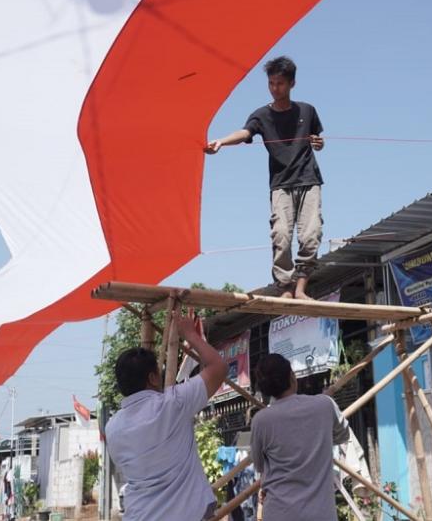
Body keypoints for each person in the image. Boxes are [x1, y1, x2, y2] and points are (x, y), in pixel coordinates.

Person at [205, 56, 325, 299]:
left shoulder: (307, 110)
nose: (274, 88)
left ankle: (301, 288)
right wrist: (222, 142)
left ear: (292, 84)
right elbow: (245, 132)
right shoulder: (261, 115)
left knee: (311, 235)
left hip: (308, 179)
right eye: (271, 83)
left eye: (279, 83)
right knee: (281, 235)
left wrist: (319, 143)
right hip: (280, 184)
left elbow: (318, 140)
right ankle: (285, 288)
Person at [105, 307, 227, 521]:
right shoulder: (173, 404)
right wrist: (191, 335)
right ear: (152, 378)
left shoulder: (112, 427)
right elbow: (218, 367)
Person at [250, 354, 350, 521]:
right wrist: (318, 436)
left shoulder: (261, 421)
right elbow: (343, 435)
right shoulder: (324, 405)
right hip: (321, 514)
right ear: (292, 376)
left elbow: (260, 465)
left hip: (279, 513)